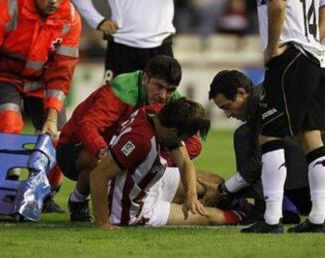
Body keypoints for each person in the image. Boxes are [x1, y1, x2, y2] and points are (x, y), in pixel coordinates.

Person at [207, 0, 325, 234]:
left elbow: (277, 5)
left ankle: (271, 218)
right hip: (315, 57)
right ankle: (318, 218)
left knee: (269, 136)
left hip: (289, 57)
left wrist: (271, 47)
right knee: (311, 138)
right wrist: (311, 40)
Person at [57, 55, 202, 222]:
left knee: (129, 161)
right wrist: (102, 150)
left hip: (119, 147)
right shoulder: (119, 92)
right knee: (106, 164)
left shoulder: (171, 100)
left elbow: (194, 143)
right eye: (159, 86)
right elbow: (87, 126)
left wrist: (154, 159)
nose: (163, 95)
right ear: (145, 78)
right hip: (73, 147)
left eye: (170, 89)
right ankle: (79, 200)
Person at [206, 69, 325, 225]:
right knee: (256, 140)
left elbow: (260, 161)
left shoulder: (263, 102)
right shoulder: (266, 93)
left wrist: (224, 190)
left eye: (227, 107)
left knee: (246, 137)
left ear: (241, 93)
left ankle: (263, 208)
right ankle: (320, 204)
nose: (228, 114)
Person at [90, 98, 251, 229]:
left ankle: (236, 203)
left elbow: (185, 162)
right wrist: (103, 222)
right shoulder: (141, 141)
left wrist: (191, 196)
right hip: (130, 205)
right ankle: (246, 213)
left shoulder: (159, 116)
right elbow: (98, 175)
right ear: (175, 132)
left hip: (149, 180)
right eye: (185, 138)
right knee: (211, 217)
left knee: (216, 182)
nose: (184, 143)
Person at [0, 0, 81, 212]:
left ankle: (47, 194)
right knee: (9, 118)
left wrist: (51, 117)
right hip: (4, 76)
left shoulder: (70, 18)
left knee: (58, 135)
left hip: (43, 81)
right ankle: (5, 186)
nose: (53, 1)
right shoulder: (9, 8)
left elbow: (62, 73)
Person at [71, 0, 176, 82]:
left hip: (160, 43)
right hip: (122, 44)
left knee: (161, 105)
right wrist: (97, 20)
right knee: (116, 104)